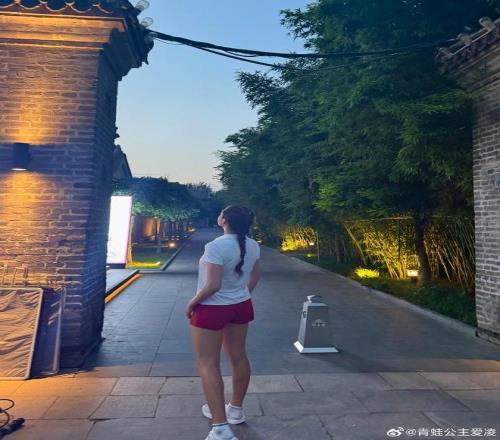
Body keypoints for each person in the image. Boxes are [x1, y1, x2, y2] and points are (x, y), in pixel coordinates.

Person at [185, 206, 261, 440]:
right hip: (241, 306)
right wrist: (241, 294)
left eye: (220, 214)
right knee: (239, 357)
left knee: (208, 362)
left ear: (224, 220)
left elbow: (213, 285)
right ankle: (235, 411)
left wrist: (191, 303)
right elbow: (255, 276)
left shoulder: (215, 246)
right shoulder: (253, 245)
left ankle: (220, 428)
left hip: (212, 309)